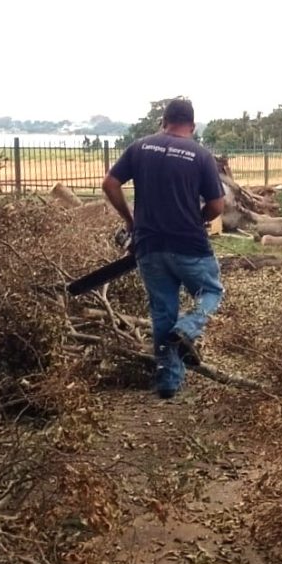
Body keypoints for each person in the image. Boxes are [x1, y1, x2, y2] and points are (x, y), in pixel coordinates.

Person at [101, 98, 226, 399]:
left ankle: (168, 381)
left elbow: (110, 184)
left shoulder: (140, 147)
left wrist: (131, 221)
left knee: (162, 311)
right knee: (211, 291)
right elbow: (217, 205)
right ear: (192, 126)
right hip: (189, 245)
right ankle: (189, 327)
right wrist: (198, 219)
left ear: (163, 121)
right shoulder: (201, 155)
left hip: (149, 245)